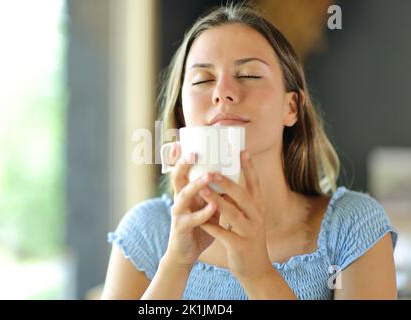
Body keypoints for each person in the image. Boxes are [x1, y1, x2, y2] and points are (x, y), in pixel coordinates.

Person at [101, 3, 398, 300]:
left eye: (249, 75)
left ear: (291, 107)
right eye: (203, 80)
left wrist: (258, 273)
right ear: (182, 115)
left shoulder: (354, 227)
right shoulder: (146, 232)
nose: (223, 92)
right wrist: (176, 264)